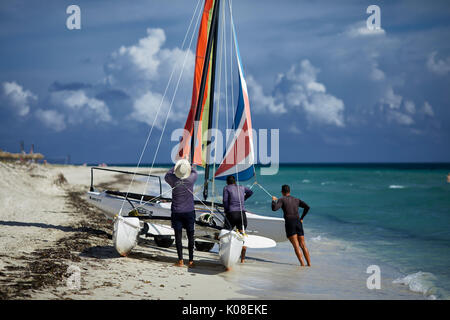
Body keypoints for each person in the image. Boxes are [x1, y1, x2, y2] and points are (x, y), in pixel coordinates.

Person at [164, 158, 198, 267]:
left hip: (177, 212)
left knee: (178, 237)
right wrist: (189, 165)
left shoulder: (173, 180)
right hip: (189, 212)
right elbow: (195, 171)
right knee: (190, 237)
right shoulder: (191, 179)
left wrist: (176, 166)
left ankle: (180, 261)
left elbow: (167, 175)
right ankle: (191, 261)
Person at [271, 184, 311, 266]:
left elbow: (274, 209)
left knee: (296, 246)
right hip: (298, 222)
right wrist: (302, 218)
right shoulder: (296, 199)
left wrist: (274, 201)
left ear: (282, 192)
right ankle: (309, 264)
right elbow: (307, 207)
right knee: (303, 245)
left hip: (290, 223)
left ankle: (302, 265)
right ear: (289, 191)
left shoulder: (281, 200)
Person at [223, 175, 253, 263]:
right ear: (235, 181)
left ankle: (227, 255)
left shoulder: (226, 188)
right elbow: (251, 192)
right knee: (242, 235)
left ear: (227, 182)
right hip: (242, 215)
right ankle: (242, 259)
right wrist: (243, 198)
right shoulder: (242, 187)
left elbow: (225, 201)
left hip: (232, 214)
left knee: (226, 233)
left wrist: (226, 210)